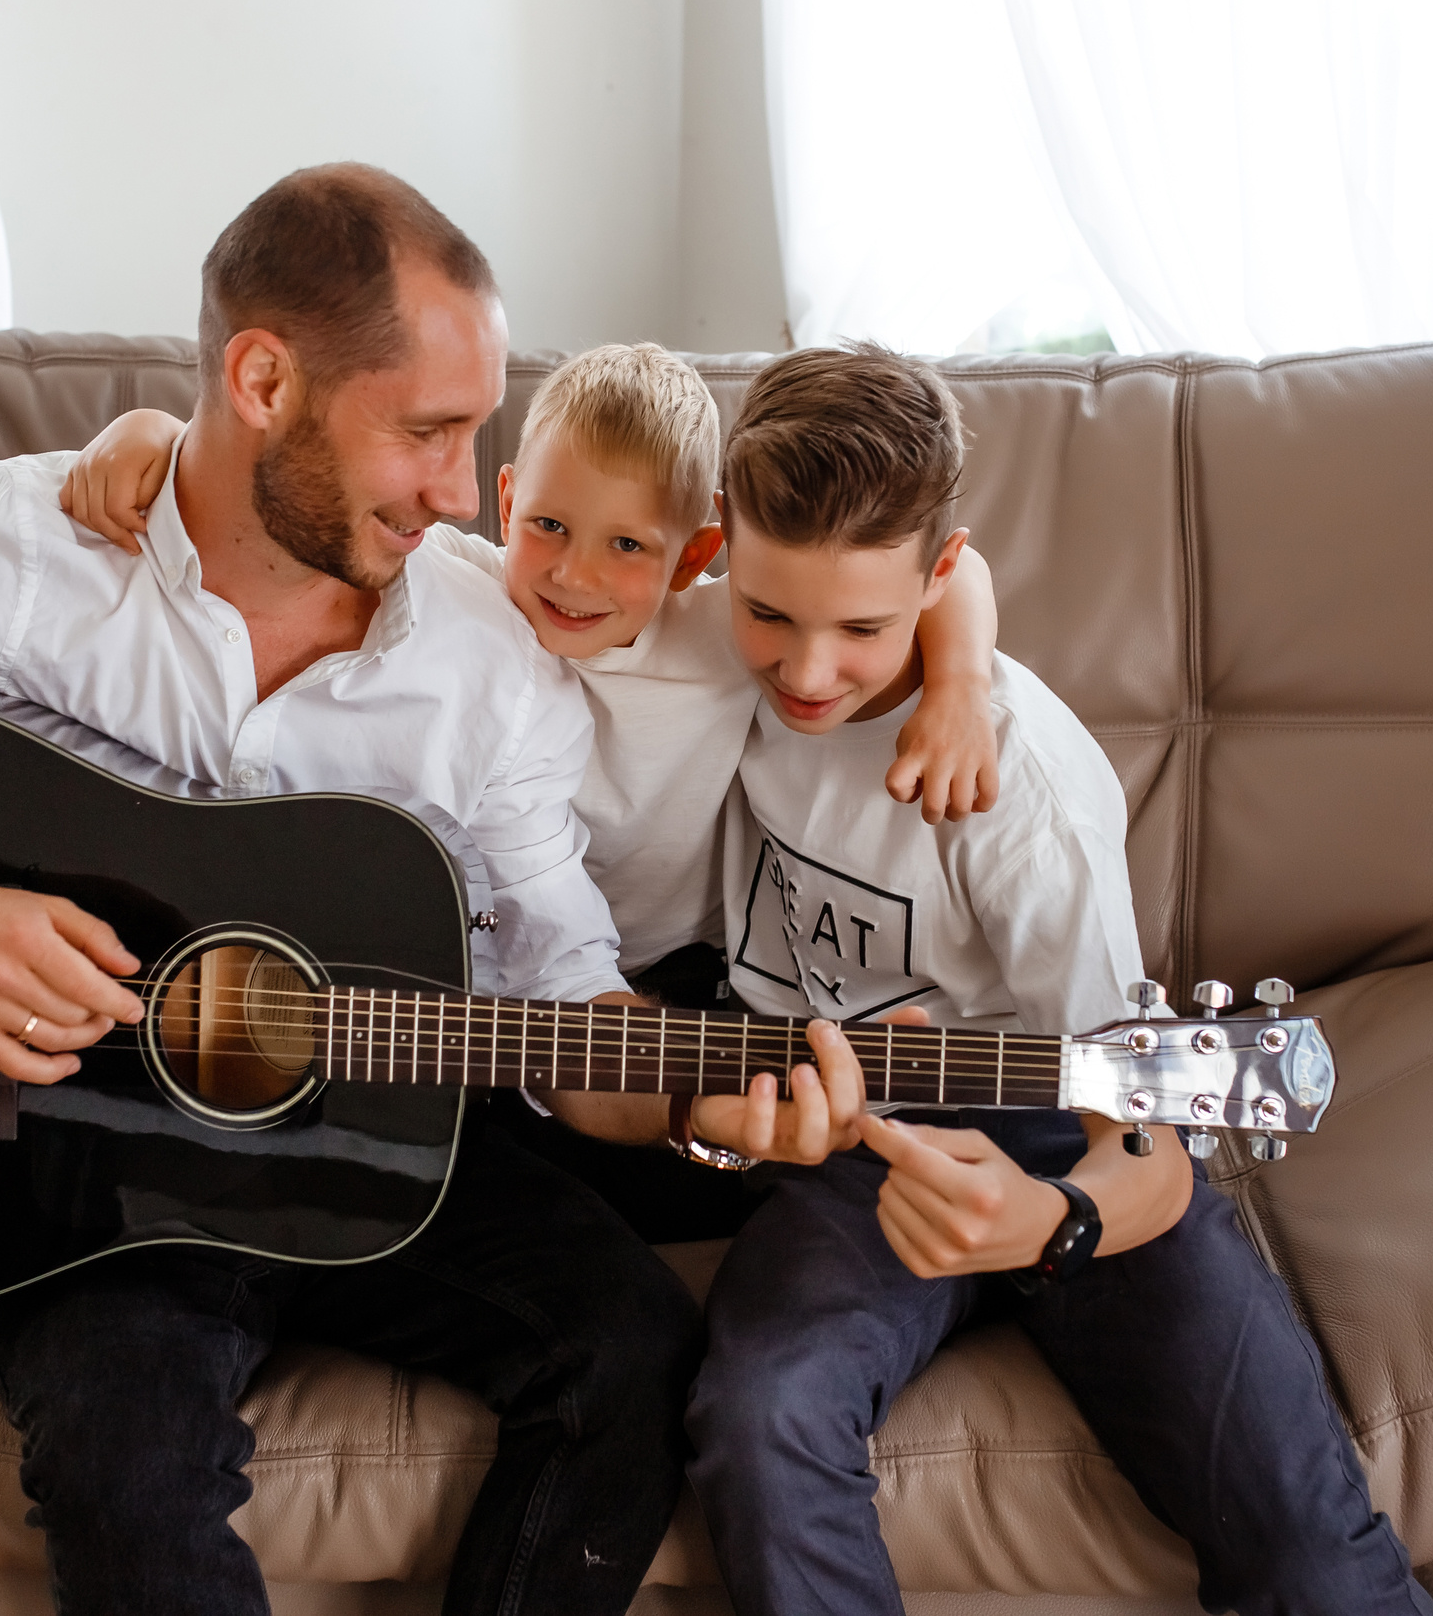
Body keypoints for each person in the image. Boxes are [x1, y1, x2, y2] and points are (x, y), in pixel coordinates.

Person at [0, 164, 706, 1616]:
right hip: (67, 1159)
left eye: (476, 435)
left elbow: (563, 1001)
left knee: (639, 1353)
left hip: (379, 1131)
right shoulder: (15, 556)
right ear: (263, 377)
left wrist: (699, 1103)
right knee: (124, 1462)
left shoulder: (494, 660)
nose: (463, 494)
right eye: (425, 433)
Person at [675, 343, 1433, 1616]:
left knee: (1309, 1550)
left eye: (864, 628)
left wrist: (1051, 1222)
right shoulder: (701, 641)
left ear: (931, 577)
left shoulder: (1015, 793)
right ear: (721, 553)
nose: (807, 672)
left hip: (1060, 1131)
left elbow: (1144, 1148)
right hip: (854, 1143)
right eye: (770, 614)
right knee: (760, 1415)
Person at [58, 342, 1007, 1225]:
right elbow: (283, 496)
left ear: (692, 559)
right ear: (505, 504)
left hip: (671, 976)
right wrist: (157, 435)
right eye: (549, 525)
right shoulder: (455, 585)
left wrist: (959, 685)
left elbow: (929, 572)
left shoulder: (739, 632)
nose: (574, 574)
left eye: (628, 547)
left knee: (723, 1185)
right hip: (494, 981)